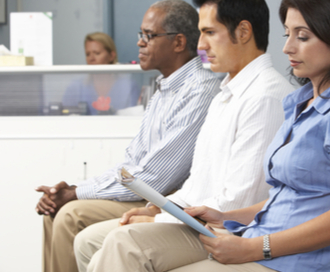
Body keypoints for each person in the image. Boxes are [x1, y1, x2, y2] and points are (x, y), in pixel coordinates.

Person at [81, 0, 330, 271]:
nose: (288, 48)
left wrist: (256, 247)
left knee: (127, 247)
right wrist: (224, 216)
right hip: (259, 239)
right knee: (117, 246)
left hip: (296, 260)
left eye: (303, 37)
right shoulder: (300, 102)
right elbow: (282, 200)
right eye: (288, 35)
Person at [34, 1, 221, 271]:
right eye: (140, 35)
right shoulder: (163, 90)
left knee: (70, 215)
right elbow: (130, 164)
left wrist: (76, 194)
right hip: (145, 191)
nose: (140, 43)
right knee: (55, 211)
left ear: (179, 42)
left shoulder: (199, 90)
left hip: (165, 199)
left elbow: (155, 178)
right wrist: (72, 189)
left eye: (148, 35)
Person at [62, 32, 141, 115]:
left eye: (97, 53)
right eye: (87, 54)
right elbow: (65, 115)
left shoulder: (128, 85)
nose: (91, 58)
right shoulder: (76, 86)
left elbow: (134, 117)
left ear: (111, 56)